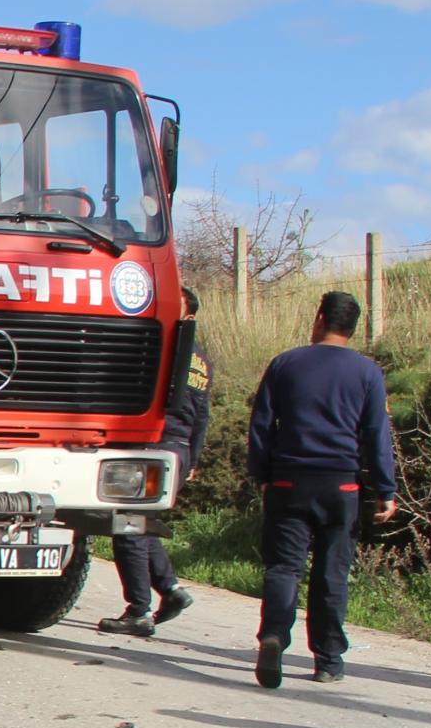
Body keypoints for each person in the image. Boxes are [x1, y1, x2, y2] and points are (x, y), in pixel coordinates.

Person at [246, 291, 399, 688]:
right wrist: (385, 488)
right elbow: (376, 435)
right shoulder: (367, 373)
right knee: (333, 572)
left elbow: (261, 425)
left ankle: (274, 635)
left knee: (283, 567)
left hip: (289, 481)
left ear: (319, 318)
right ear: (353, 327)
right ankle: (328, 659)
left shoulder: (285, 364)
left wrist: (262, 474)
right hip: (341, 484)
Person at [100, 286, 212, 636]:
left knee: (129, 526)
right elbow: (203, 413)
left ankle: (139, 610)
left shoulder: (165, 343)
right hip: (177, 448)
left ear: (189, 315)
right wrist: (192, 458)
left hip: (154, 444)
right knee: (141, 523)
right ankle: (171, 590)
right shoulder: (202, 359)